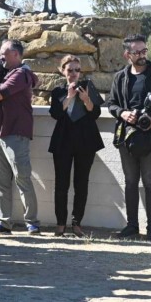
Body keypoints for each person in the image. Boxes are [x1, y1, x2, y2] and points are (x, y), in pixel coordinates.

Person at [106, 34, 151, 242]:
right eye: (138, 52)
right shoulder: (121, 77)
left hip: (150, 137)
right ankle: (131, 226)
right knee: (130, 182)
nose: (143, 55)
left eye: (145, 51)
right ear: (127, 54)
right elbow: (111, 104)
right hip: (126, 137)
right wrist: (123, 113)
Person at [0, 39, 40, 235]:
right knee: (0, 180)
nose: (0, 57)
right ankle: (4, 222)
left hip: (16, 133)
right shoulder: (9, 74)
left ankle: (32, 222)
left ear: (16, 54)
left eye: (3, 53)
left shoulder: (21, 74)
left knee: (22, 178)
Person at [48, 55, 104, 237]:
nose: (74, 74)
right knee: (61, 184)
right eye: (70, 70)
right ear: (62, 71)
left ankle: (77, 222)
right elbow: (56, 114)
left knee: (82, 183)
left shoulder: (88, 87)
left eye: (77, 70)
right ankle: (60, 224)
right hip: (63, 142)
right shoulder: (57, 91)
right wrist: (69, 97)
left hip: (85, 142)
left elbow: (95, 113)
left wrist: (86, 99)